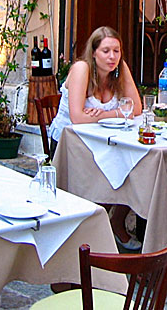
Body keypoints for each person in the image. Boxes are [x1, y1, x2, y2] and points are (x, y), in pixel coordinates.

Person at [47, 26, 142, 249]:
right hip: (69, 146)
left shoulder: (119, 69)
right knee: (119, 168)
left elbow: (136, 108)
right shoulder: (81, 68)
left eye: (117, 51)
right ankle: (88, 233)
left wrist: (103, 115)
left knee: (136, 166)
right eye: (106, 51)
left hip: (101, 142)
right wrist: (115, 115)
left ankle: (116, 222)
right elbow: (78, 117)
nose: (112, 57)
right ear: (94, 52)